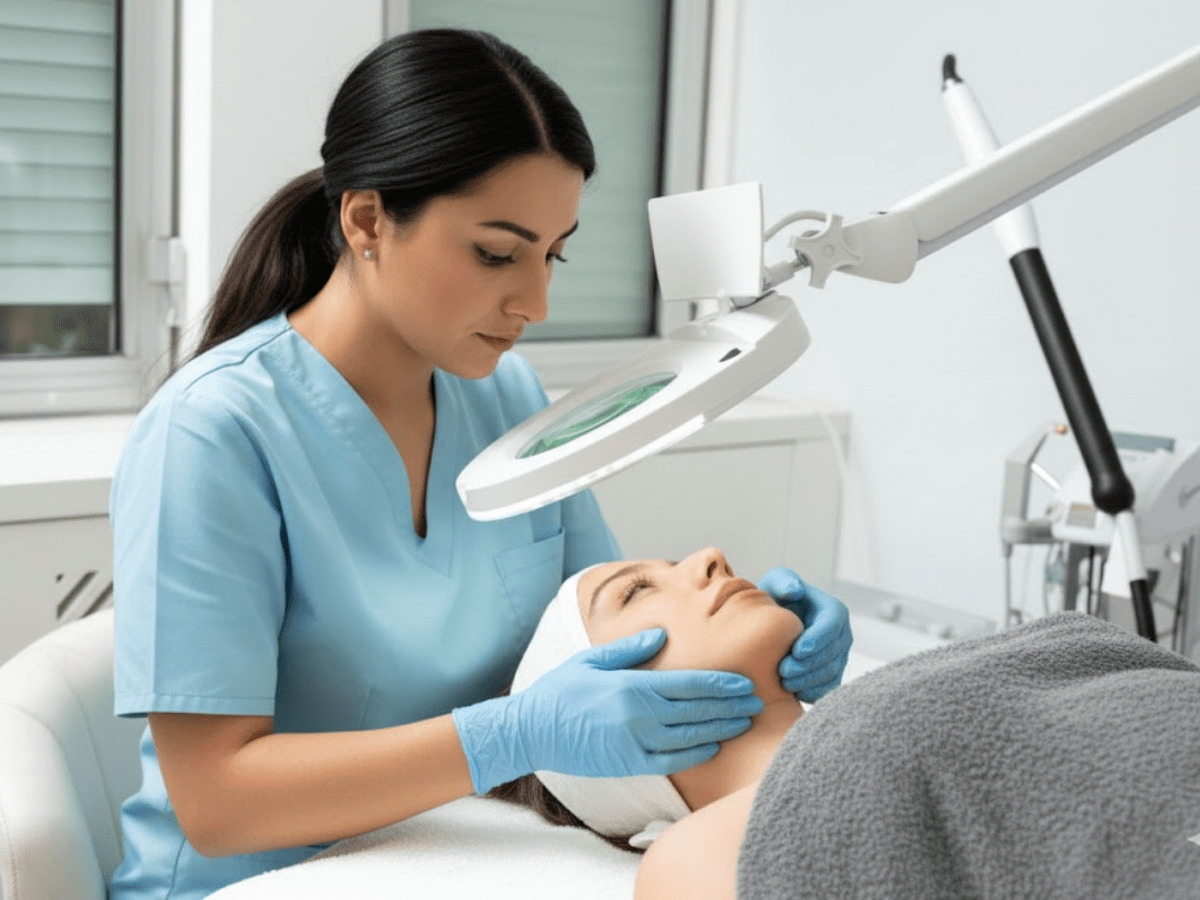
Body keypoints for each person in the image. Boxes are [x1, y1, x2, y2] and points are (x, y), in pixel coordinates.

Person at [106, 28, 852, 900]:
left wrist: (765, 643)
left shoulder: (508, 400)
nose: (535, 301)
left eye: (554, 253)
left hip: (463, 851)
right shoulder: (211, 435)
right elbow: (217, 803)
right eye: (498, 253)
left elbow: (608, 643)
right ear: (367, 219)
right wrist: (509, 737)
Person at [507, 549, 1200, 900]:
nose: (710, 556)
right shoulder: (690, 858)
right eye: (635, 591)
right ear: (599, 723)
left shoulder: (916, 689)